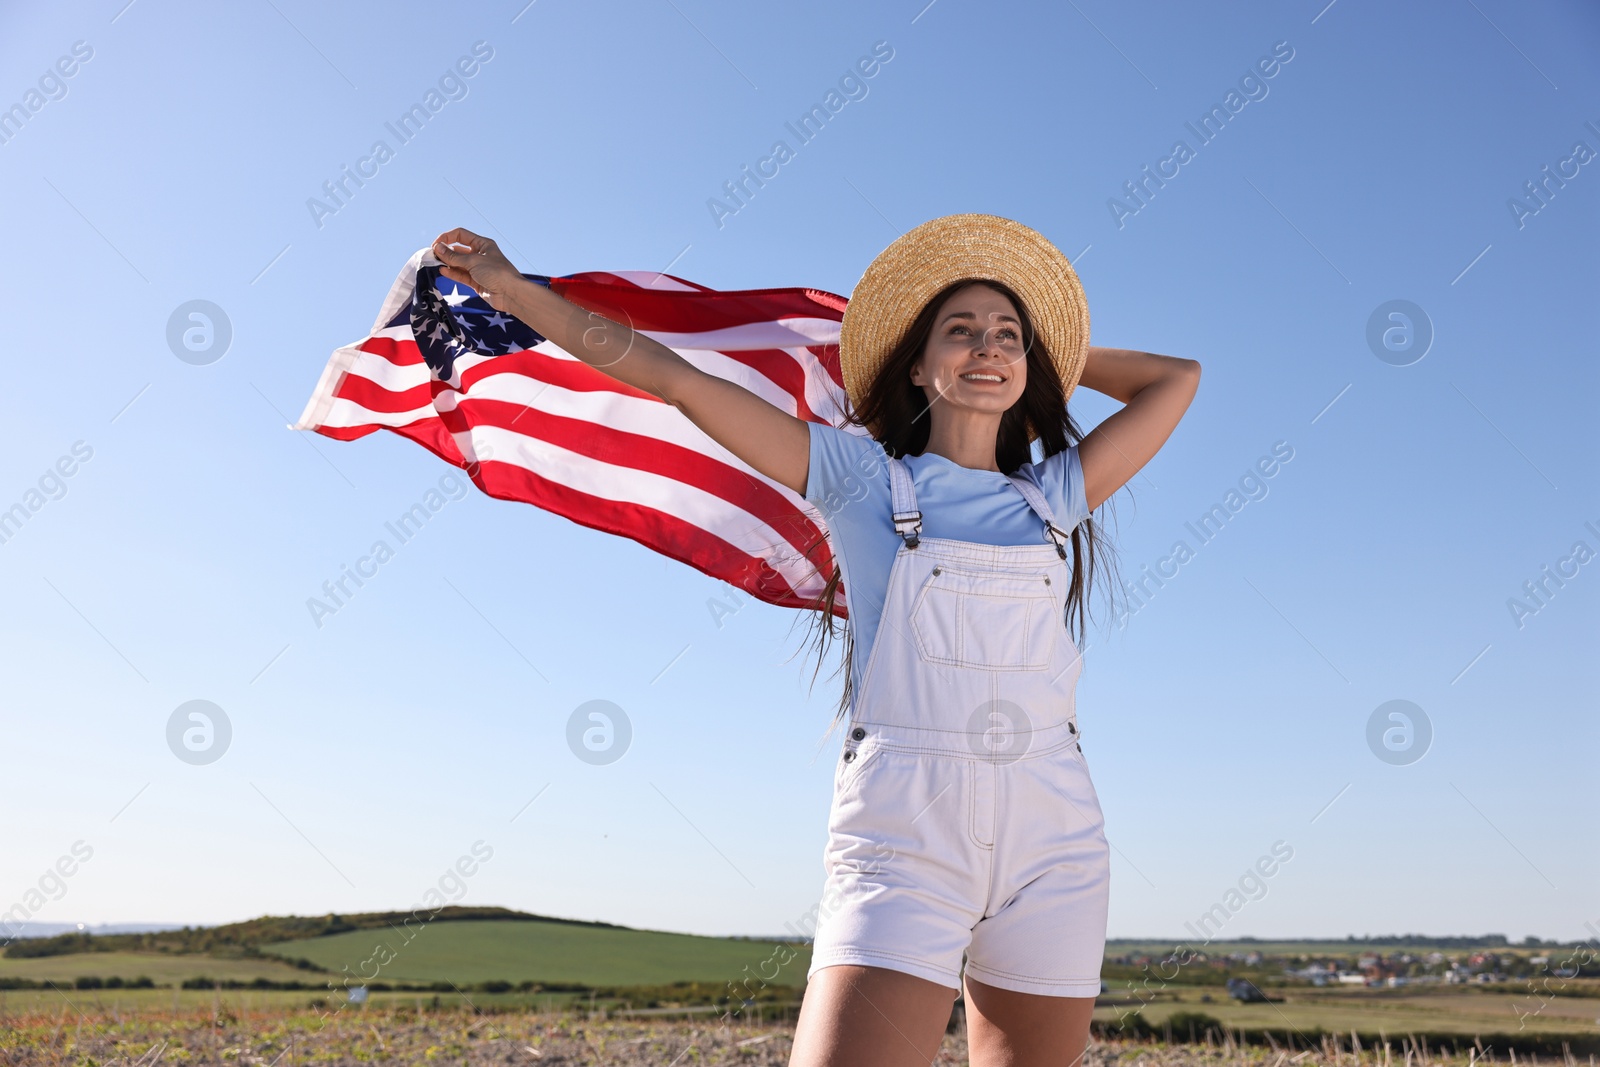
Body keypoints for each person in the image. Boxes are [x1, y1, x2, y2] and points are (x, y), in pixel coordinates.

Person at [431, 214, 1200, 1067]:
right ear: (915, 363)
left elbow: (1176, 378)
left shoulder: (1053, 497)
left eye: (1006, 336)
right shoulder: (857, 475)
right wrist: (511, 289)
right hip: (907, 835)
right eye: (960, 332)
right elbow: (671, 378)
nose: (987, 347)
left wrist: (1054, 349)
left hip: (1054, 834)